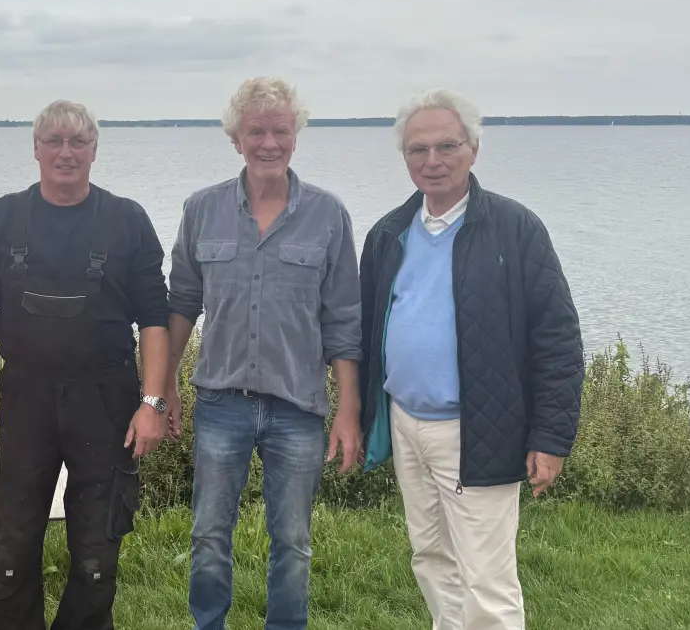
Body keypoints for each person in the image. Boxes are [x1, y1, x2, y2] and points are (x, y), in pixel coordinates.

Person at [357, 88, 583, 630]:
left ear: (474, 149)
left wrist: (550, 438)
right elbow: (367, 334)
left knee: (487, 577)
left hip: (478, 429)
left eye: (447, 146)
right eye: (418, 150)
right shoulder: (389, 233)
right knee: (432, 561)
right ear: (405, 158)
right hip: (408, 424)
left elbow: (557, 339)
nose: (432, 161)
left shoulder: (515, 229)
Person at [0, 100, 172, 630]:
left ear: (95, 150)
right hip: (25, 399)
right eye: (53, 141)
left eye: (78, 142)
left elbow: (154, 319)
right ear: (35, 149)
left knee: (98, 552)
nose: (66, 152)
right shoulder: (3, 217)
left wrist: (153, 402)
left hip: (106, 401)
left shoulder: (127, 220)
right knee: (13, 546)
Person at [165, 76, 363, 630]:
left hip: (298, 407)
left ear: (295, 137)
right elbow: (181, 305)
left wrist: (348, 410)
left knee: (293, 543)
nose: (268, 142)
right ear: (236, 139)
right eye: (256, 131)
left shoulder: (329, 215)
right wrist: (162, 390)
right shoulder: (201, 210)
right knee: (207, 535)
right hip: (220, 403)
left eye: (280, 130)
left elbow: (345, 320)